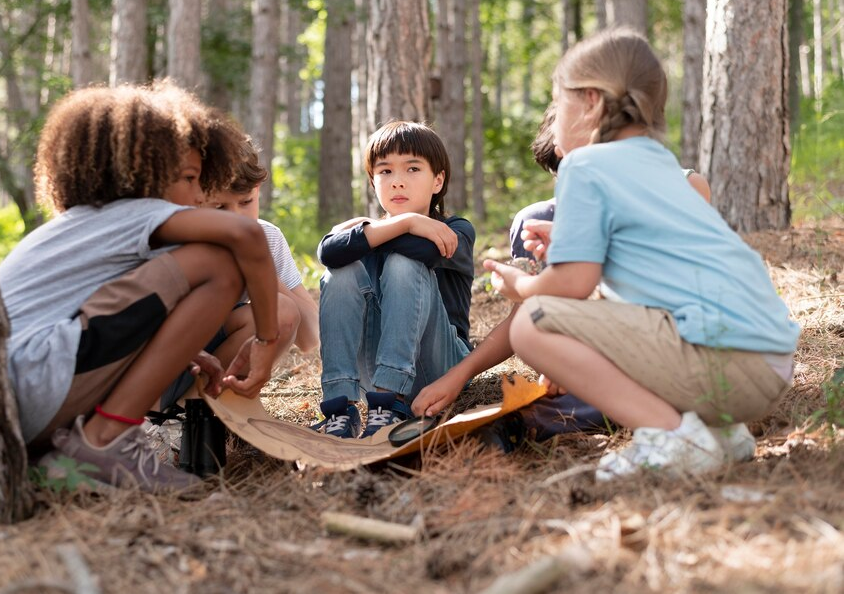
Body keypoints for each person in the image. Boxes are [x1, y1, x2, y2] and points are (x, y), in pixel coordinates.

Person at [482, 29, 799, 481]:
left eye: (560, 103)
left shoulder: (583, 164)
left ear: (590, 101)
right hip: (768, 365)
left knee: (533, 323)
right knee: (640, 312)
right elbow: (654, 264)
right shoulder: (660, 163)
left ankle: (672, 436)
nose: (554, 131)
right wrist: (573, 240)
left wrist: (523, 285)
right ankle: (718, 435)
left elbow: (573, 286)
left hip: (724, 363)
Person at [0, 82, 279, 492]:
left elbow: (101, 308)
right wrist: (266, 340)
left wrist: (180, 348)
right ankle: (103, 441)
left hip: (11, 398)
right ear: (140, 173)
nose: (199, 194)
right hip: (35, 381)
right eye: (188, 178)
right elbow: (247, 237)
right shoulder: (135, 212)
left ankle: (69, 453)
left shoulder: (83, 225)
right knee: (218, 263)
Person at [315, 120, 475, 439]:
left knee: (404, 263)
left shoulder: (455, 229)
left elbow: (423, 252)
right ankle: (340, 407)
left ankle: (392, 402)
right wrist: (406, 223)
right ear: (373, 181)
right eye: (385, 171)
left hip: (440, 366)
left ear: (437, 180)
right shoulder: (375, 229)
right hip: (372, 373)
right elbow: (328, 253)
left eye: (412, 169)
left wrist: (375, 231)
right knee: (342, 270)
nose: (397, 182)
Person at [160, 134, 319, 410]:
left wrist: (260, 269)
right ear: (195, 198)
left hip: (211, 373)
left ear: (257, 189)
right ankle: (156, 419)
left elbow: (309, 337)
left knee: (280, 311)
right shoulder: (171, 235)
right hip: (156, 371)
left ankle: (190, 415)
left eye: (245, 202)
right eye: (219, 207)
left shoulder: (266, 238)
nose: (235, 219)